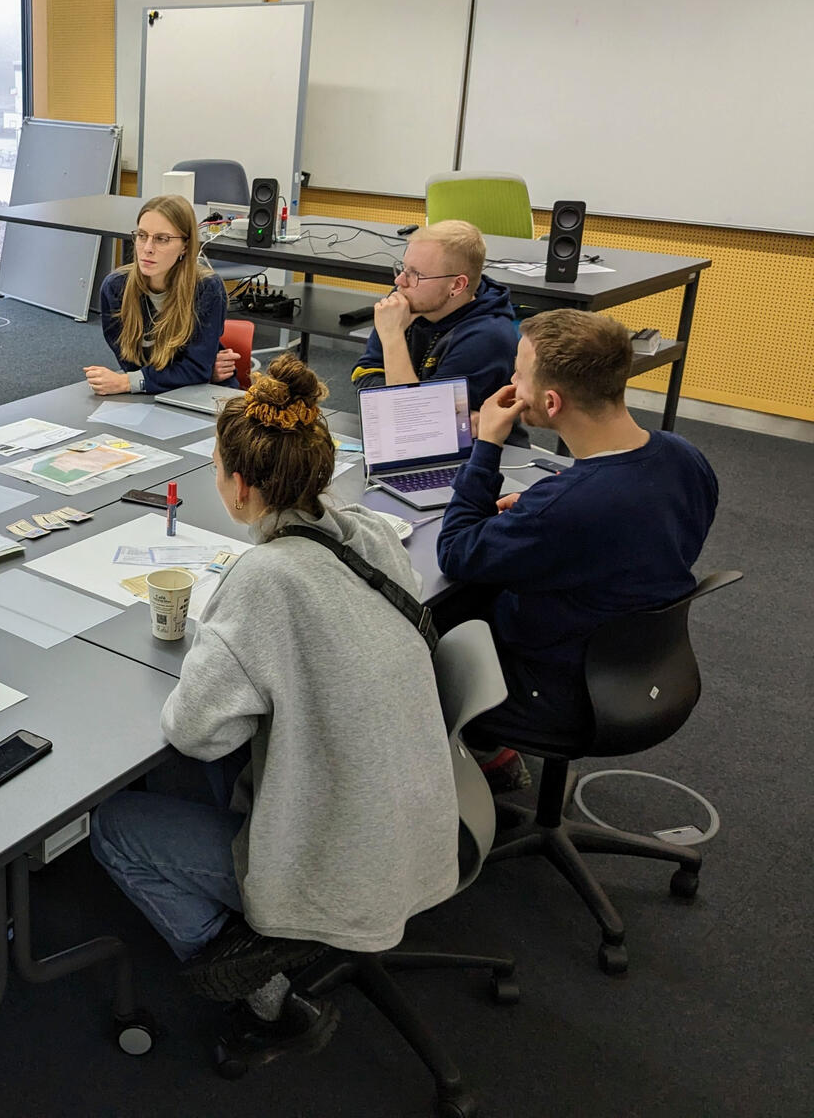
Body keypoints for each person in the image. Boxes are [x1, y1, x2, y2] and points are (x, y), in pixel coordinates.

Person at [90, 355, 458, 1071]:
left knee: (115, 827)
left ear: (241, 485)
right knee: (220, 768)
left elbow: (195, 732)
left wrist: (220, 647)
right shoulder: (369, 533)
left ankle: (262, 985)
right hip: (425, 817)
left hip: (347, 862)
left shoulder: (263, 579)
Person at [437, 308, 718, 788]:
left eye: (518, 374)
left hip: (559, 690)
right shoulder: (684, 457)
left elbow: (457, 550)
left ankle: (475, 763)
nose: (510, 381)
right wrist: (542, 512)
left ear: (550, 401)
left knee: (418, 629)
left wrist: (487, 446)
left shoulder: (564, 507)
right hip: (643, 664)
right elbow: (622, 518)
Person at [352, 219, 519, 417]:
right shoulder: (406, 297)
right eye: (404, 268)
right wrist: (393, 400)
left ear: (456, 286)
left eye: (416, 274)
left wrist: (392, 337)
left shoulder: (487, 338)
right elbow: (364, 371)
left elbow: (415, 420)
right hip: (404, 436)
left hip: (481, 446)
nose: (400, 281)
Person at [87, 194, 238, 395]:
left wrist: (127, 383)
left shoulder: (206, 288)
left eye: (162, 239)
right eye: (142, 236)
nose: (147, 249)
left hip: (203, 394)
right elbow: (131, 363)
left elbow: (196, 370)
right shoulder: (116, 287)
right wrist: (196, 371)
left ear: (185, 245)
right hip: (148, 394)